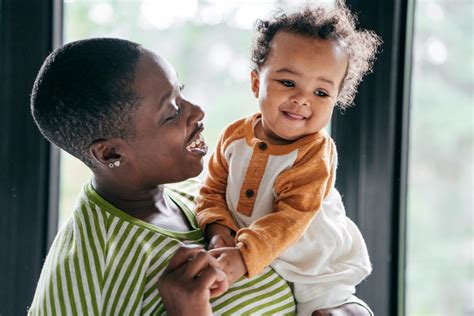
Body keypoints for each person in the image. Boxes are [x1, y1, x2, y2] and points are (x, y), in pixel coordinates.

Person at [27, 37, 370, 316]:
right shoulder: (83, 271)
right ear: (111, 153)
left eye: (182, 91)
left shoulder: (214, 195)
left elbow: (321, 274)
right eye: (171, 111)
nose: (197, 111)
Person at [196, 2, 381, 315]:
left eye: (321, 93)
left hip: (312, 268)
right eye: (288, 83)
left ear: (337, 99)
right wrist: (218, 234)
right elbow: (211, 191)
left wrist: (243, 257)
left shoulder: (315, 152)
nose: (301, 100)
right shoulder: (234, 137)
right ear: (257, 83)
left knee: (339, 311)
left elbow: (292, 216)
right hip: (255, 255)